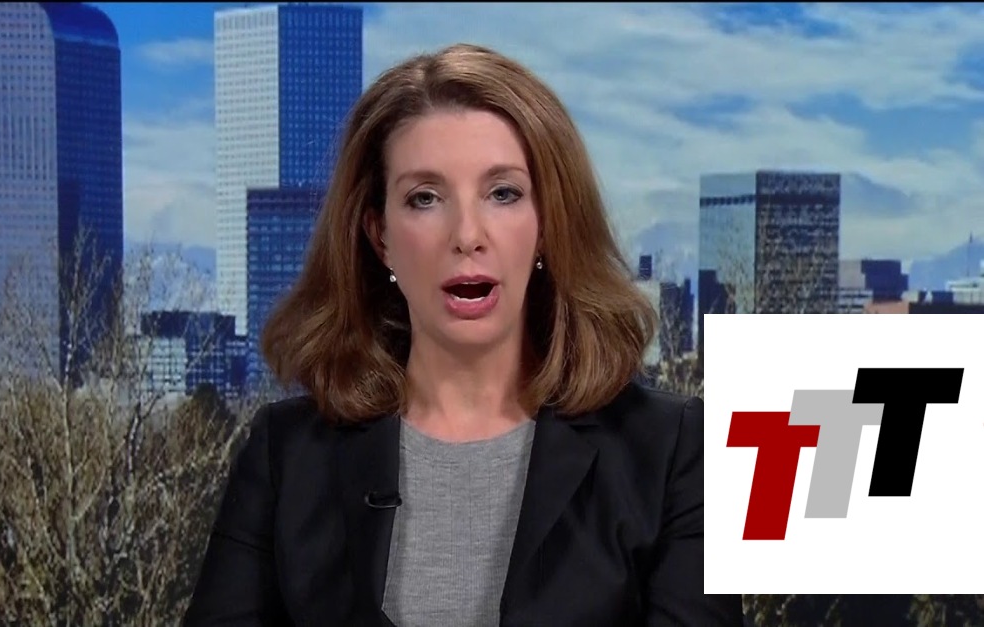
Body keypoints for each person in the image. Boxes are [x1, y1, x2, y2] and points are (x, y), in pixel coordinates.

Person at [183, 43, 744, 627]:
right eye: (425, 198)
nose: (467, 234)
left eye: (503, 193)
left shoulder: (673, 452)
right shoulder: (287, 455)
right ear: (380, 236)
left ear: (547, 225)